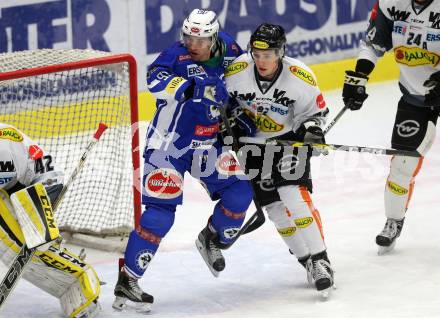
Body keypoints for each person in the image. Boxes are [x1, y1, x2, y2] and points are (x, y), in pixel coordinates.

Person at [113, 9, 253, 312]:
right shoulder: (175, 56)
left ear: (213, 38)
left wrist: (240, 117)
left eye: (199, 39)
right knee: (159, 215)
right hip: (168, 146)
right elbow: (154, 79)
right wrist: (189, 87)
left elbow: (243, 85)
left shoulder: (230, 50)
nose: (191, 43)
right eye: (188, 36)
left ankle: (211, 238)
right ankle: (128, 280)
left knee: (240, 192)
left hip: (207, 145)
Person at [224, 23, 334, 296]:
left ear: (281, 52)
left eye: (268, 54)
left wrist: (313, 131)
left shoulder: (299, 76)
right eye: (257, 54)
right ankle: (306, 261)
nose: (262, 61)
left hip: (288, 140)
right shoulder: (236, 72)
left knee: (292, 195)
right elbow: (222, 107)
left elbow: (315, 114)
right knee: (274, 210)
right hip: (252, 147)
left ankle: (321, 261)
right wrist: (229, 128)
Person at [342, 0, 439, 254]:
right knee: (402, 164)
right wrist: (359, 76)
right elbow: (373, 45)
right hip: (416, 97)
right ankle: (394, 220)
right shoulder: (390, 4)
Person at [0, 122, 101, 317]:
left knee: (26, 245)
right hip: (16, 187)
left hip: (42, 186)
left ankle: (79, 278)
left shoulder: (5, 145)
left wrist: (35, 222)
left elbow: (24, 180)